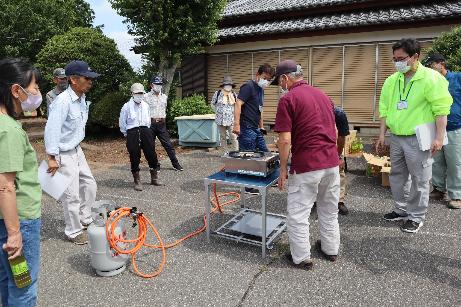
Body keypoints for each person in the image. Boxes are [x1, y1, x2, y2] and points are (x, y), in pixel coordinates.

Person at [377, 39, 453, 233]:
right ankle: (401, 209)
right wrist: (381, 135)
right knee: (397, 176)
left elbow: (441, 109)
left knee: (419, 178)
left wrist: (439, 137)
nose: (397, 63)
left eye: (401, 58)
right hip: (397, 136)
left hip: (418, 138)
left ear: (415, 57)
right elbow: (384, 109)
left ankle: (416, 216)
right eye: (394, 59)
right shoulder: (392, 80)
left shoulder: (431, 78)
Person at [274, 60, 340, 270]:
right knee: (329, 209)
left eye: (279, 82)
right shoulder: (323, 95)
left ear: (285, 78)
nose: (280, 86)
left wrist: (283, 168)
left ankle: (301, 257)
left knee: (298, 214)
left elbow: (285, 140)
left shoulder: (288, 99)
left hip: (307, 164)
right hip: (331, 162)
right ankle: (331, 249)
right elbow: (335, 131)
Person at [0, 58, 42, 306]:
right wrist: (15, 234)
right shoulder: (9, 130)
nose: (36, 95)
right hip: (19, 222)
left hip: (6, 220)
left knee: (7, 280)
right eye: (34, 88)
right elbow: (5, 185)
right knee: (23, 286)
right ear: (16, 90)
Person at [44, 60, 100, 245]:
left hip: (77, 149)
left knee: (90, 184)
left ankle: (84, 218)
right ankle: (73, 231)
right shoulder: (62, 101)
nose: (91, 81)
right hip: (63, 152)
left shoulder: (82, 97)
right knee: (71, 194)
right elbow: (52, 129)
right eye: (87, 78)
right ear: (74, 80)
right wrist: (52, 157)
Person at [424, 53, 461, 209]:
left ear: (441, 63)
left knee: (455, 163)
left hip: (454, 127)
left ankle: (456, 195)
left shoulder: (457, 78)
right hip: (435, 127)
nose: (430, 68)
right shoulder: (430, 82)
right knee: (437, 161)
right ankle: (439, 189)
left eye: (431, 65)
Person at [119, 83, 162, 191]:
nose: (139, 95)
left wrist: (147, 131)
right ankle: (137, 180)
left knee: (151, 153)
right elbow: (122, 122)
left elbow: (148, 120)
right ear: (132, 94)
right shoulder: (126, 106)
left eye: (141, 93)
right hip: (132, 131)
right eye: (137, 93)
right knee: (134, 155)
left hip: (145, 130)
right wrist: (127, 134)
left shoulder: (145, 105)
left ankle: (154, 177)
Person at [232, 63, 274, 152]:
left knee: (264, 153)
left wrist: (261, 126)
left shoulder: (261, 90)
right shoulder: (248, 86)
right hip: (246, 127)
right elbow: (238, 104)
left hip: (256, 128)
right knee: (248, 155)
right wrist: (236, 125)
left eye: (269, 80)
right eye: (264, 78)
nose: (266, 81)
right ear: (257, 75)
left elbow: (260, 109)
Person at [145, 76, 183, 171]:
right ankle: (155, 165)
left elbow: (164, 110)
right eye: (156, 84)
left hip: (162, 124)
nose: (158, 86)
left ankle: (175, 164)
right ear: (151, 85)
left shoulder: (164, 97)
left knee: (168, 145)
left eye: (160, 84)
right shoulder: (146, 97)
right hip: (150, 124)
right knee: (150, 146)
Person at [211, 75, 238, 152]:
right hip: (220, 119)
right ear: (223, 86)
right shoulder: (218, 93)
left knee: (233, 136)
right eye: (226, 85)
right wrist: (217, 112)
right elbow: (212, 104)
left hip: (231, 119)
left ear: (231, 86)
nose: (228, 86)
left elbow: (237, 106)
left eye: (229, 85)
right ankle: (225, 152)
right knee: (223, 137)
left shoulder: (234, 94)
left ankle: (235, 151)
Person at [334, 105, 350, 215]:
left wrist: (338, 156)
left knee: (339, 173)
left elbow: (341, 138)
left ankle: (340, 201)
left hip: (333, 145)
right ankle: (315, 199)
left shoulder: (339, 114)